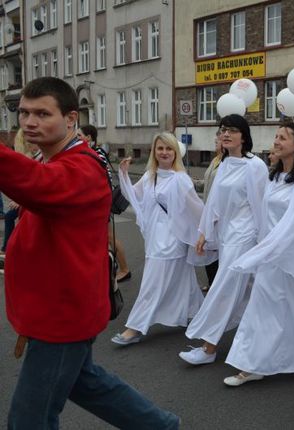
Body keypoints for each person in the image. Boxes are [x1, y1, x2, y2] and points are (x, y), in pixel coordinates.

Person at [1, 77, 179, 429]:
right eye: (24, 113)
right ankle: (159, 426)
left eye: (41, 113)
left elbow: (37, 185)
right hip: (58, 306)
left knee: (29, 419)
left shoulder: (81, 167)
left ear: (70, 120)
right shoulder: (53, 156)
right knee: (86, 383)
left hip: (62, 314)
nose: (29, 122)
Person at [223, 122, 294, 386]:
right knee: (266, 304)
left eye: (283, 137)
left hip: (292, 252)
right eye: (276, 136)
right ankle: (253, 363)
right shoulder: (274, 177)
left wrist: (264, 251)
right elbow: (265, 217)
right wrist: (262, 246)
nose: (276, 141)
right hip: (272, 252)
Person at [179, 115, 267, 365]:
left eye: (232, 130)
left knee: (225, 289)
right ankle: (257, 341)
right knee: (249, 291)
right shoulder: (225, 163)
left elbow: (261, 206)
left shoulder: (254, 166)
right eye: (223, 130)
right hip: (229, 235)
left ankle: (209, 348)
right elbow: (214, 202)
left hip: (246, 236)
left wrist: (263, 243)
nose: (226, 134)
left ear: (244, 136)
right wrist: (204, 232)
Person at [112, 132, 206, 345]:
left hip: (172, 240)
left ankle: (135, 327)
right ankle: (198, 313)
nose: (164, 152)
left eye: (168, 149)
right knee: (184, 278)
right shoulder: (149, 176)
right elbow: (133, 196)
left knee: (152, 283)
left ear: (175, 152)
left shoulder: (181, 179)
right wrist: (124, 175)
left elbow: (196, 209)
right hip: (155, 237)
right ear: (154, 152)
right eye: (160, 148)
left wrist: (206, 233)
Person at [77, 124, 132, 283]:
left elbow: (102, 180)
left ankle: (124, 269)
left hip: (100, 203)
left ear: (88, 138)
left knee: (109, 237)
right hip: (96, 203)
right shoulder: (93, 152)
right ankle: (108, 267)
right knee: (102, 238)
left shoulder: (96, 154)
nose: (76, 138)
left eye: (79, 135)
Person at [199, 128, 224, 287]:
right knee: (208, 249)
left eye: (218, 140)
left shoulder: (226, 163)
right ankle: (211, 282)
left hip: (218, 215)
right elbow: (206, 183)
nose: (216, 142)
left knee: (216, 252)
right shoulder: (215, 160)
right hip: (206, 210)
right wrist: (190, 182)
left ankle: (216, 284)